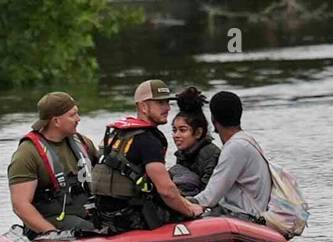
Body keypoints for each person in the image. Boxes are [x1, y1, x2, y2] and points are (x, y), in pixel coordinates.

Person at [90, 79, 201, 232]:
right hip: (129, 217)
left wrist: (185, 202)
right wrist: (190, 211)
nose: (167, 108)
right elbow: (166, 191)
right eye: (160, 103)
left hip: (103, 214)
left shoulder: (117, 133)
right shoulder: (148, 140)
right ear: (143, 106)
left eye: (167, 103)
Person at [7, 92, 100, 237]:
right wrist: (51, 233)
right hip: (52, 219)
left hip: (86, 212)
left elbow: (103, 173)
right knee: (90, 230)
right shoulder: (27, 154)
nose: (78, 119)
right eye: (72, 115)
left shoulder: (83, 143)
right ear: (56, 121)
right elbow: (20, 205)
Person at [191, 91, 272, 223]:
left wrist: (180, 202)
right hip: (249, 213)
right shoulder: (246, 140)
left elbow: (209, 198)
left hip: (244, 217)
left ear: (213, 119)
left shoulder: (235, 147)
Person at [168, 87, 220, 198]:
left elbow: (208, 192)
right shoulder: (183, 153)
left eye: (182, 130)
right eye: (174, 130)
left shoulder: (211, 154)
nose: (176, 135)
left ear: (198, 133)